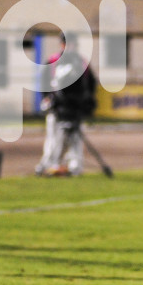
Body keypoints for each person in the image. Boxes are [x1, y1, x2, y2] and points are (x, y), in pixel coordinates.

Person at [35, 33, 96, 177]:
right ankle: (50, 163)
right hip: (56, 108)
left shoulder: (81, 62)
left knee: (75, 139)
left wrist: (87, 101)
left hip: (75, 108)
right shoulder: (53, 61)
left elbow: (91, 84)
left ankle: (75, 165)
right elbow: (43, 83)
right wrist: (47, 99)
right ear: (61, 44)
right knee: (53, 138)